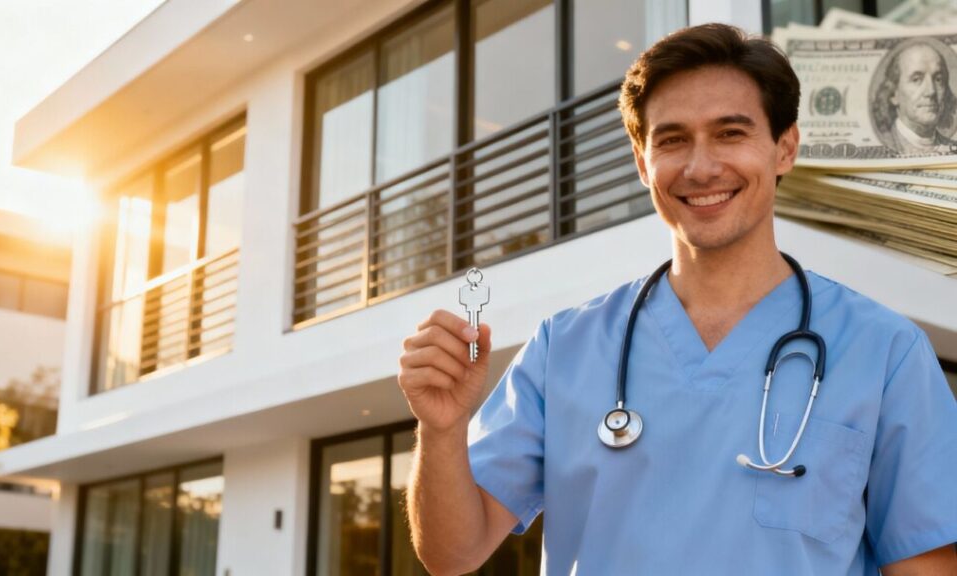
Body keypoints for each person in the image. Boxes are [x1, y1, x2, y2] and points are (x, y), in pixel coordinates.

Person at [398, 23, 957, 576]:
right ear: (643, 163)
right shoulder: (562, 347)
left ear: (785, 148)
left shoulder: (885, 352)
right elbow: (452, 553)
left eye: (730, 133)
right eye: (671, 140)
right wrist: (442, 429)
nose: (700, 167)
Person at [872, 40, 957, 154]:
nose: (931, 91)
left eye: (938, 79)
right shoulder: (885, 145)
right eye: (916, 79)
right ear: (894, 94)